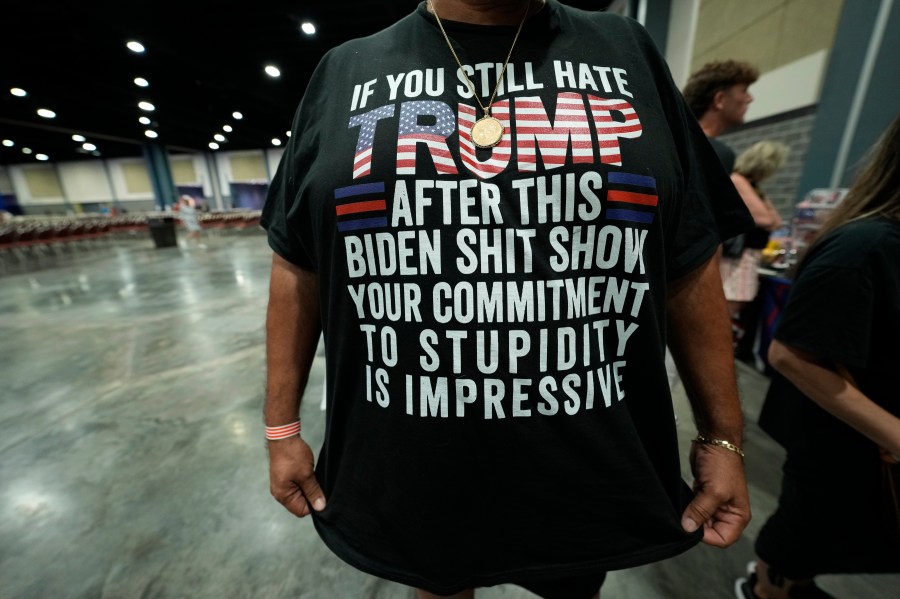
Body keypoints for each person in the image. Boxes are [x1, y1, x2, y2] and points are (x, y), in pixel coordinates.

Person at [262, 2, 754, 598]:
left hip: (585, 455)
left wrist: (723, 437)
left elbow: (688, 247)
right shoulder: (345, 70)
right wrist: (280, 428)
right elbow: (297, 261)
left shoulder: (626, 51)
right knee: (438, 583)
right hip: (414, 459)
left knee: (574, 584)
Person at [735, 115, 900, 599]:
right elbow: (789, 354)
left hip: (864, 433)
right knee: (803, 535)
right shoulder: (862, 247)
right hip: (842, 440)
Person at [720, 141, 787, 348]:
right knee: (731, 302)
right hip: (739, 255)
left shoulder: (753, 186)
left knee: (737, 302)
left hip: (749, 254)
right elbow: (767, 220)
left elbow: (776, 220)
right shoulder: (738, 180)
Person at [682, 59, 759, 172]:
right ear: (719, 100)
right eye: (744, 91)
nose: (750, 98)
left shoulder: (679, 143)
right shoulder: (718, 155)